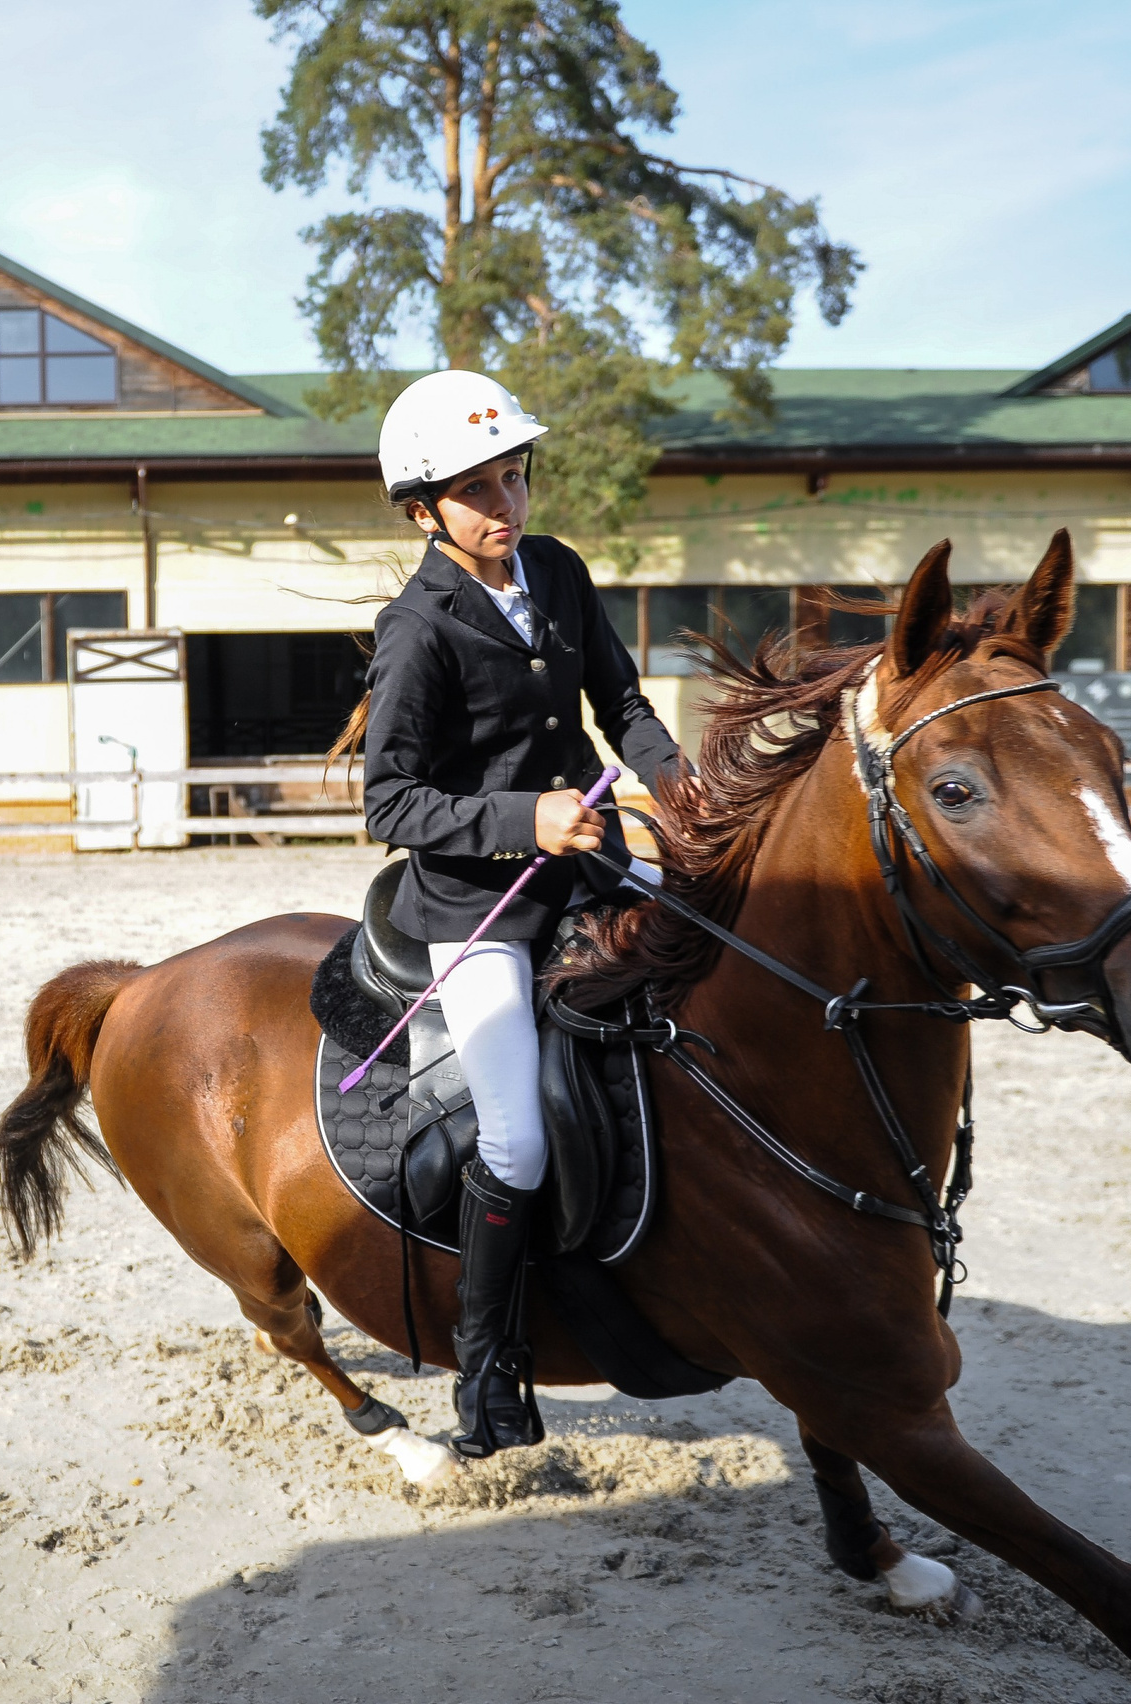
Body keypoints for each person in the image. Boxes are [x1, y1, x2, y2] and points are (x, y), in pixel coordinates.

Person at [350, 369, 701, 1458]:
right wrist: (521, 818)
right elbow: (389, 802)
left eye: (513, 478)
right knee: (514, 1133)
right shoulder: (416, 628)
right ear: (424, 512)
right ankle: (488, 1366)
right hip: (476, 903)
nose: (507, 506)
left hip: (590, 866)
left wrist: (680, 787)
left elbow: (624, 705)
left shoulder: (555, 569)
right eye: (478, 491)